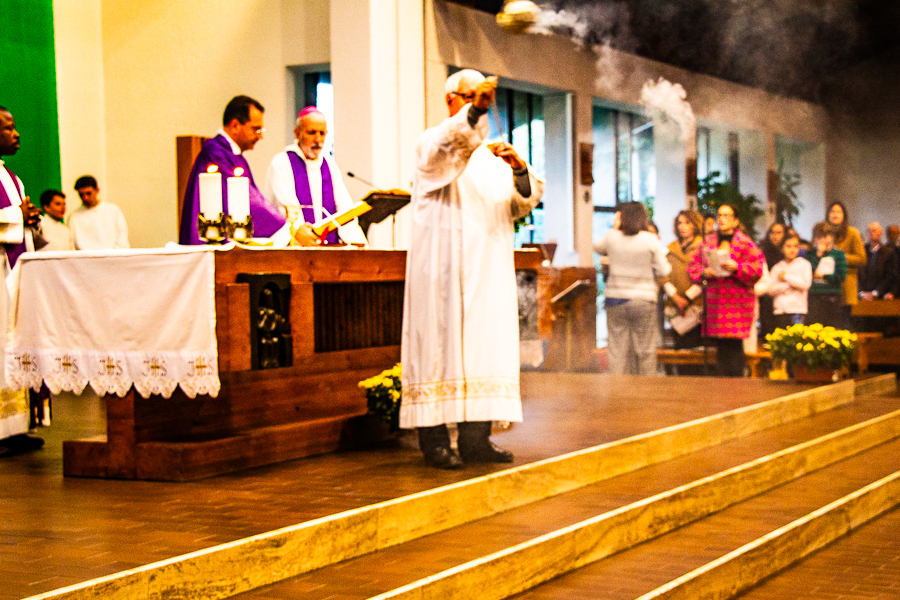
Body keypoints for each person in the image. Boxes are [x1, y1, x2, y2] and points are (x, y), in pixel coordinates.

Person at [400, 69, 544, 469]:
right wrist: (476, 112)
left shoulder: (494, 159)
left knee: (485, 351)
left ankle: (476, 439)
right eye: (470, 98)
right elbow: (451, 143)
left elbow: (522, 202)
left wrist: (518, 169)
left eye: (483, 100)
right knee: (437, 350)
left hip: (488, 272)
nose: (479, 107)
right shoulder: (432, 144)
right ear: (451, 100)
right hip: (443, 273)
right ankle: (434, 442)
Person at [179, 95, 288, 245]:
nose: (261, 136)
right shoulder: (215, 153)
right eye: (256, 129)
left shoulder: (233, 154)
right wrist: (287, 229)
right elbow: (250, 202)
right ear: (235, 125)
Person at [0, 105, 44, 457]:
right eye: (8, 127)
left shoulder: (13, 179)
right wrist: (18, 215)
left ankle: (16, 428)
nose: (16, 134)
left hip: (14, 275)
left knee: (15, 345)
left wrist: (30, 219)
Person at [264, 107, 367, 246]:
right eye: (312, 133)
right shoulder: (282, 163)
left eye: (322, 133)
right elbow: (287, 208)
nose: (317, 139)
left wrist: (358, 243)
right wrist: (304, 235)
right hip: (297, 247)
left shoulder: (329, 165)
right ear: (297, 133)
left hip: (328, 248)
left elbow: (344, 208)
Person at [687, 203, 764, 377]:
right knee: (721, 347)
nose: (722, 219)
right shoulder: (708, 242)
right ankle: (722, 384)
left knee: (734, 346)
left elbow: (758, 269)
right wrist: (704, 272)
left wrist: (737, 267)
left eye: (727, 216)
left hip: (737, 303)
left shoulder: (745, 242)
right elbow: (692, 267)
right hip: (716, 304)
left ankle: (736, 383)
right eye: (720, 215)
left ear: (735, 221)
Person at [595, 202, 671, 375]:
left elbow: (597, 247)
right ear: (643, 218)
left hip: (615, 299)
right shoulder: (650, 239)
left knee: (616, 349)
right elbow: (664, 270)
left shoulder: (612, 237)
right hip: (644, 299)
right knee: (646, 349)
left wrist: (615, 228)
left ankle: (617, 387)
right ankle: (646, 387)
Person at [662, 210, 704, 351]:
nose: (682, 226)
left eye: (687, 222)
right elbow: (663, 275)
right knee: (679, 348)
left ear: (695, 225)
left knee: (695, 349)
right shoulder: (670, 248)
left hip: (696, 305)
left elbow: (705, 275)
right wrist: (675, 297)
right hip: (675, 305)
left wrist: (687, 298)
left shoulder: (703, 247)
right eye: (679, 223)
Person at [824, 201, 865, 329]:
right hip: (826, 286)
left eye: (839, 212)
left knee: (844, 324)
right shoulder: (824, 233)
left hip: (845, 286)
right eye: (832, 212)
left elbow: (862, 259)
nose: (835, 215)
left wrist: (840, 256)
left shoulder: (852, 233)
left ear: (844, 215)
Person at [766, 232, 812, 331]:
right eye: (788, 246)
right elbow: (770, 290)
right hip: (780, 310)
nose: (792, 250)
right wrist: (789, 285)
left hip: (798, 310)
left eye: (795, 246)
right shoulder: (777, 268)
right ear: (782, 249)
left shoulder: (804, 264)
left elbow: (805, 284)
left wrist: (786, 277)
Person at [68, 175, 129, 250]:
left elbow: (122, 234)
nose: (85, 198)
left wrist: (115, 252)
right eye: (81, 195)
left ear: (97, 190)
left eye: (88, 193)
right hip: (88, 256)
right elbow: (74, 242)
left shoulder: (113, 210)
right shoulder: (74, 216)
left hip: (115, 254)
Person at [806, 222, 847, 328]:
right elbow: (808, 272)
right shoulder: (810, 254)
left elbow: (841, 276)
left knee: (832, 327)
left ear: (831, 237)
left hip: (832, 296)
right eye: (819, 237)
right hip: (814, 295)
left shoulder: (838, 254)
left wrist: (824, 276)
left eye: (825, 236)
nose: (822, 240)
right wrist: (818, 255)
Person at [757, 222, 786, 340]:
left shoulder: (787, 253)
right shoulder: (763, 252)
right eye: (772, 233)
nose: (775, 236)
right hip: (767, 296)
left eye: (779, 233)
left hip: (784, 294)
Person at [859, 222, 897, 301]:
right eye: (869, 231)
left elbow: (889, 275)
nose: (872, 233)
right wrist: (861, 292)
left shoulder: (888, 252)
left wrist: (875, 293)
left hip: (880, 296)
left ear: (880, 233)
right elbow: (857, 274)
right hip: (862, 296)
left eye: (874, 230)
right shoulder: (861, 251)